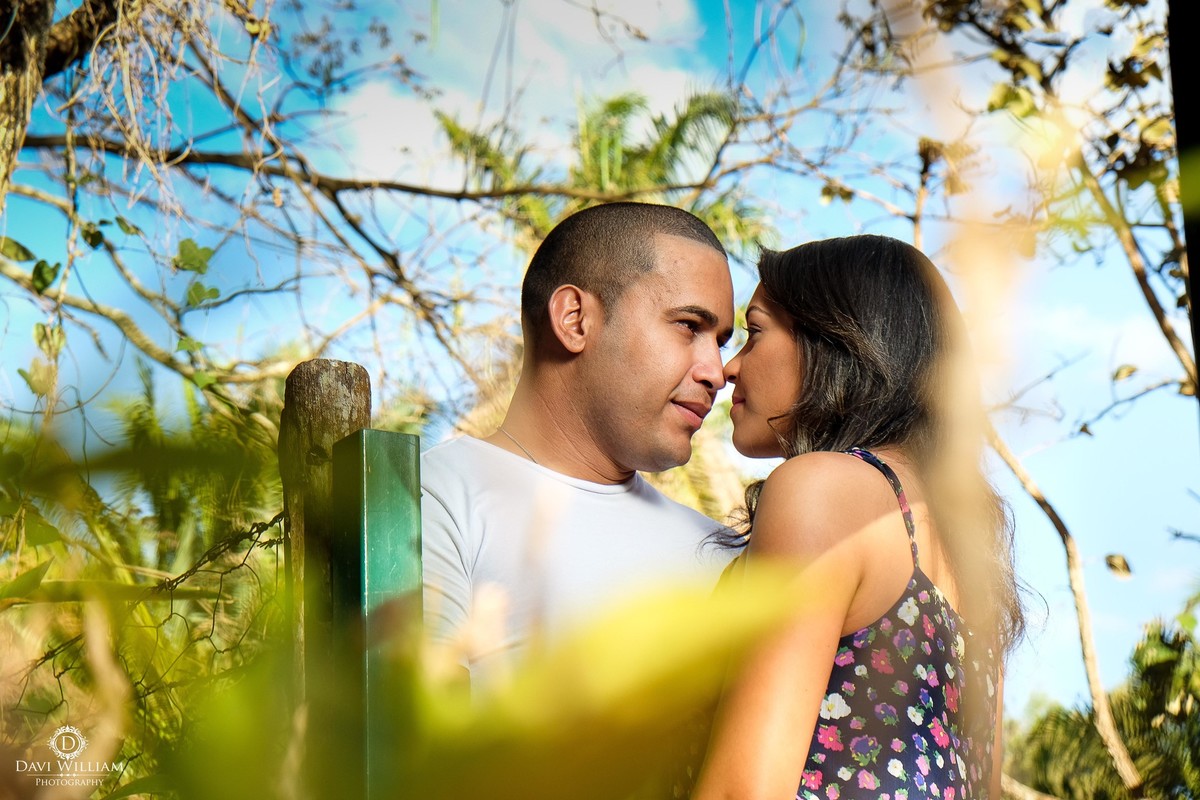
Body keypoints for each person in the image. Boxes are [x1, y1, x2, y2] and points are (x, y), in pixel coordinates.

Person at [690, 235, 1025, 800]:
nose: (728, 369)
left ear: (838, 340)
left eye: (754, 332)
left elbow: (742, 790)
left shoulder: (824, 489)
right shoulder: (967, 559)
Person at [421, 201, 738, 688]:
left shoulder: (724, 554)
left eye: (719, 341)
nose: (715, 373)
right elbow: (416, 742)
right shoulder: (433, 494)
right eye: (689, 326)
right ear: (574, 319)